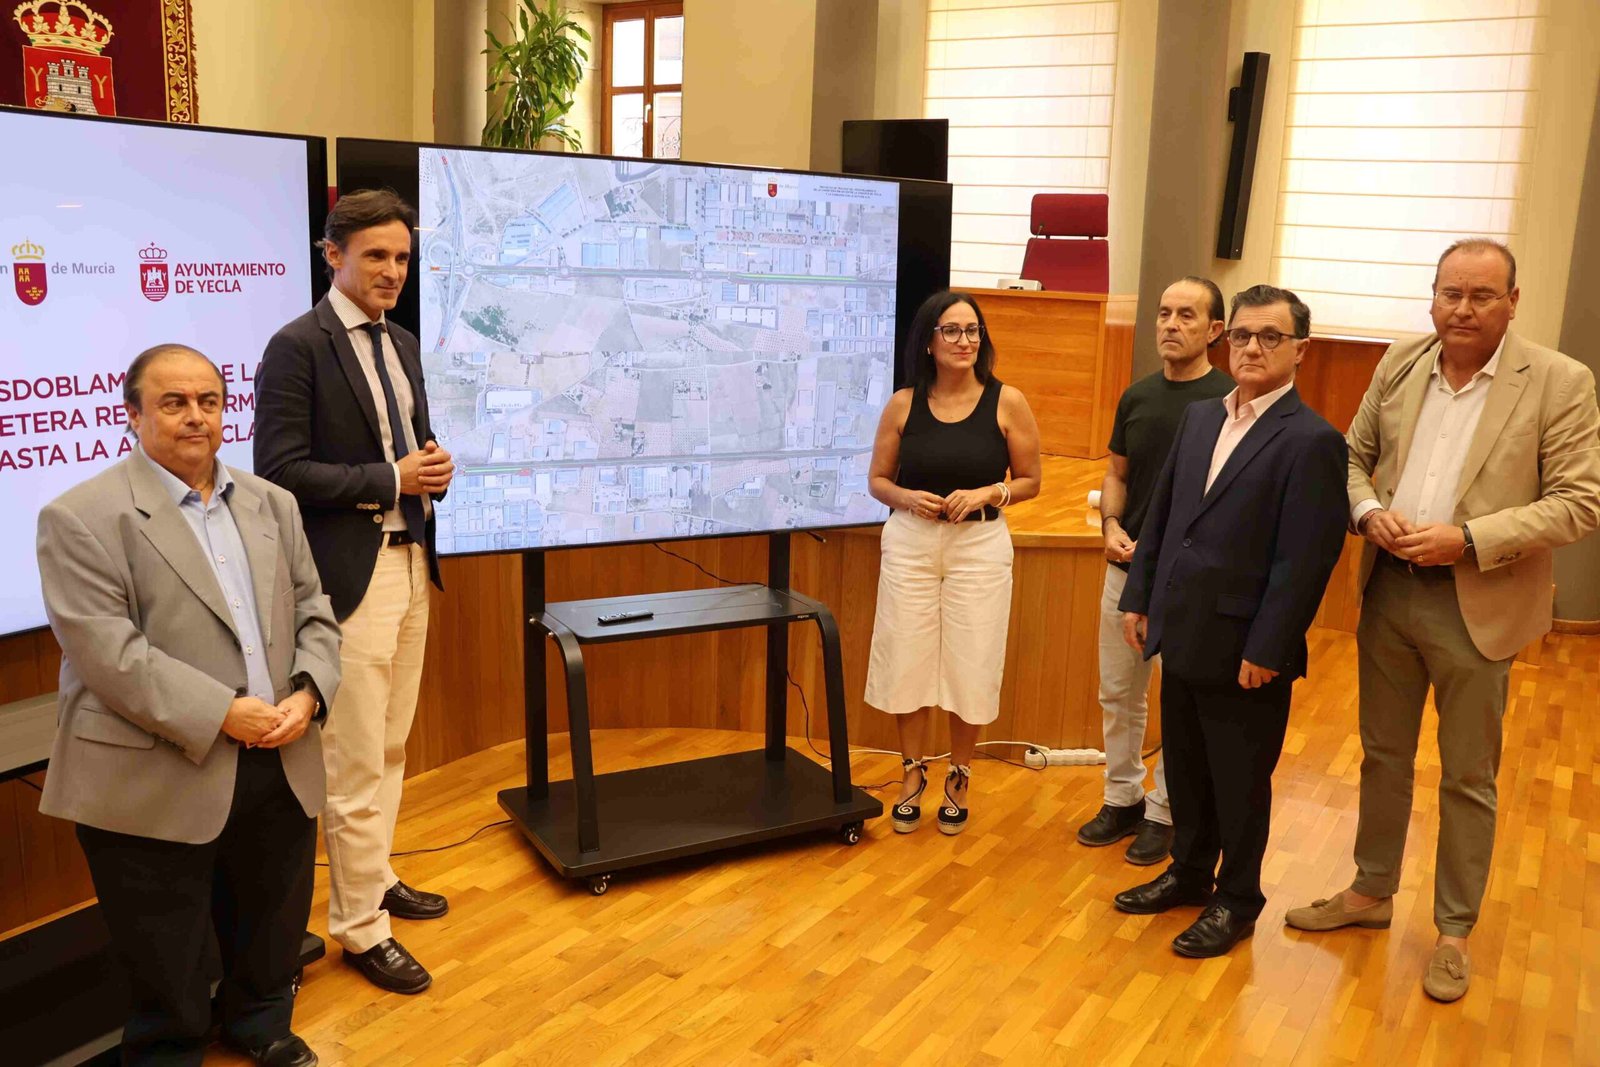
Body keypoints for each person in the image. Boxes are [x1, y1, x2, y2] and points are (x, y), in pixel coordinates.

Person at [1286, 239, 1600, 1001]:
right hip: (1390, 592)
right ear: (1432, 296)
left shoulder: (1559, 381)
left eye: (1482, 295)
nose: (1462, 309)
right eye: (1450, 293)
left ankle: (1454, 930)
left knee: (1467, 775)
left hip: (1479, 603)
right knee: (1382, 755)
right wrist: (1367, 511)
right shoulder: (1400, 362)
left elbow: (1579, 501)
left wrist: (1468, 538)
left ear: (1513, 302)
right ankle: (1370, 889)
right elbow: (1349, 456)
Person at [37, 344, 339, 1067]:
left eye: (209, 400)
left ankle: (260, 1021)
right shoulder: (79, 516)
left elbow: (315, 611)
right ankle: (169, 1050)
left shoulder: (273, 503)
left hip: (278, 749)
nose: (195, 416)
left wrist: (309, 692)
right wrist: (223, 712)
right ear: (133, 414)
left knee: (270, 917)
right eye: (173, 402)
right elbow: (111, 655)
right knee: (163, 948)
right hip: (158, 764)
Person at [255, 190, 455, 995]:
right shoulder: (296, 345)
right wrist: (388, 479)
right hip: (349, 579)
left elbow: (406, 450)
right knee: (354, 760)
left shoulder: (401, 342)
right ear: (332, 254)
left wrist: (429, 472)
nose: (392, 271)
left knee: (393, 746)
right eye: (376, 255)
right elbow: (279, 471)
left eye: (402, 257)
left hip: (410, 564)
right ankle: (362, 927)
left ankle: (374, 878)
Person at [1113, 285, 1347, 958]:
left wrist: (1270, 645)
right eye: (1242, 334)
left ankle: (1238, 898)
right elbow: (1164, 517)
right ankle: (1189, 873)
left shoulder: (1312, 440)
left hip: (1247, 647)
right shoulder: (1200, 418)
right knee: (1186, 767)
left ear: (1300, 350)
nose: (1252, 347)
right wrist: (1139, 597)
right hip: (1183, 627)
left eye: (1271, 336)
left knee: (1239, 782)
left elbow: (1305, 560)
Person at [864, 290, 1042, 836]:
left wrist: (990, 492)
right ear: (929, 341)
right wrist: (905, 497)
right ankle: (911, 772)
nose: (965, 341)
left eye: (973, 330)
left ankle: (960, 774)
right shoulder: (902, 403)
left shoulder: (1007, 401)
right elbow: (877, 481)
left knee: (973, 658)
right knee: (907, 657)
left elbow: (1031, 481)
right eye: (952, 331)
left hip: (979, 546)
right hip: (911, 543)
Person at [1075, 276, 1233, 866]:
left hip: (1187, 582)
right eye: (1164, 313)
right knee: (1118, 692)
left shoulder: (1229, 402)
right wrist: (1110, 526)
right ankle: (1122, 797)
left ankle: (1165, 812)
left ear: (1214, 330)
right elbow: (1117, 473)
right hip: (1126, 570)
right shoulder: (1137, 396)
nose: (1170, 324)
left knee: (1179, 702)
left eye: (1186, 315)